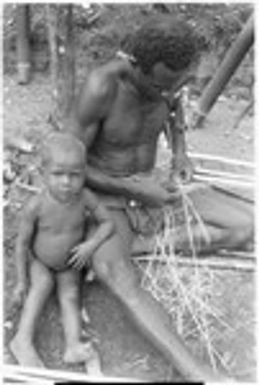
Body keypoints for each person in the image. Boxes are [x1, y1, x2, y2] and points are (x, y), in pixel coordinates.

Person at [65, 15, 253, 381]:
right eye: (163, 84)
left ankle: (141, 244)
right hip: (108, 199)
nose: (171, 91)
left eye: (181, 81)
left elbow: (173, 107)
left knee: (245, 226)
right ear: (135, 65)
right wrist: (133, 189)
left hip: (152, 194)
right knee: (118, 277)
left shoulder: (169, 82)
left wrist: (181, 153)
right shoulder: (102, 87)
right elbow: (68, 167)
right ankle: (199, 373)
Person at [10, 133, 114, 368]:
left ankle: (73, 347)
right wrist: (20, 280)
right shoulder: (36, 206)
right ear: (42, 173)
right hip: (41, 262)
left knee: (71, 296)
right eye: (58, 174)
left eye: (74, 175)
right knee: (41, 286)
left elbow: (108, 223)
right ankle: (22, 340)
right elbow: (22, 244)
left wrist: (91, 245)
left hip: (70, 265)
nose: (67, 182)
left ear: (84, 173)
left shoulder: (85, 198)